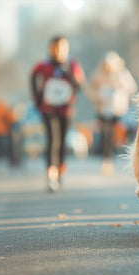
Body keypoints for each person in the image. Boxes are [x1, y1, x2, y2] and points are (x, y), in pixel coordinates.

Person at [30, 35, 85, 192]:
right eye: (55, 47)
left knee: (61, 142)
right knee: (52, 139)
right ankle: (50, 175)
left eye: (62, 48)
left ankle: (60, 171)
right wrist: (37, 98)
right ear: (50, 48)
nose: (58, 51)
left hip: (65, 109)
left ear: (66, 49)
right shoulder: (43, 65)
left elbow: (79, 86)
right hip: (48, 108)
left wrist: (68, 73)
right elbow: (33, 77)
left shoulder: (72, 65)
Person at [87, 52, 136, 175]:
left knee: (118, 136)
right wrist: (96, 96)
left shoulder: (122, 74)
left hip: (118, 110)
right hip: (103, 110)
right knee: (106, 134)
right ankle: (107, 161)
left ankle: (117, 156)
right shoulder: (98, 74)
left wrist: (119, 86)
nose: (108, 68)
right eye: (106, 65)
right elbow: (90, 88)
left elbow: (132, 88)